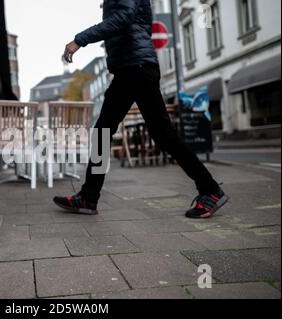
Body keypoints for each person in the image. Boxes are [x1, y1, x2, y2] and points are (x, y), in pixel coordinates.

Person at [53, 0, 229, 219]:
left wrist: (80, 39)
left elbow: (123, 18)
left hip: (137, 67)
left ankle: (210, 190)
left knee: (162, 136)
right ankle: (89, 197)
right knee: (103, 133)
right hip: (129, 68)